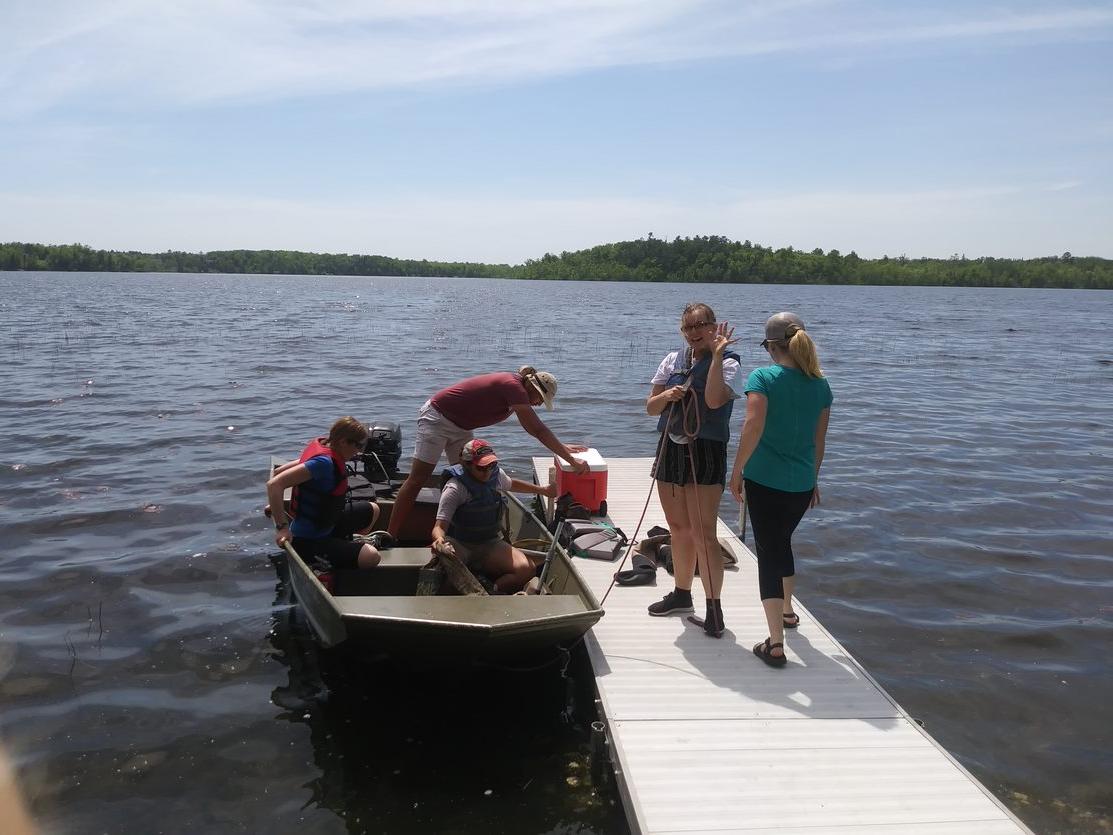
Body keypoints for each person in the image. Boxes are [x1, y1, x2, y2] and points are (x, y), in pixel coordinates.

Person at [728, 312, 832, 667]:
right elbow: (820, 443)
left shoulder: (763, 378)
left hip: (764, 480)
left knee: (768, 555)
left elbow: (752, 426)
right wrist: (813, 480)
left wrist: (737, 470)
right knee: (782, 542)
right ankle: (788, 611)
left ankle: (775, 644)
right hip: (801, 484)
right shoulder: (821, 385)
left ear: (772, 347)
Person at [384, 366, 588, 545]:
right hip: (437, 418)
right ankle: (390, 535)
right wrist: (571, 461)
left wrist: (561, 446)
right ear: (532, 386)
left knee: (473, 479)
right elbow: (537, 430)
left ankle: (464, 535)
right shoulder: (513, 387)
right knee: (418, 479)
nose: (538, 404)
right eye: (540, 400)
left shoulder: (519, 388)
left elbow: (538, 429)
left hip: (461, 427)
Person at [645, 303, 741, 636]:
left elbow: (714, 401)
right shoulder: (672, 360)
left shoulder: (728, 363)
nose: (694, 332)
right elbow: (650, 407)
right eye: (688, 327)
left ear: (714, 327)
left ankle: (714, 611)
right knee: (677, 527)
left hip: (705, 449)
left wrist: (715, 357)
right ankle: (682, 594)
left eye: (701, 325)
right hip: (671, 445)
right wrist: (669, 395)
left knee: (704, 533)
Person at [432, 439, 557, 593]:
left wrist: (542, 490)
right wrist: (439, 541)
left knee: (526, 569)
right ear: (467, 465)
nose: (488, 472)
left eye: (491, 466)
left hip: (489, 543)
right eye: (481, 468)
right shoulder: (455, 488)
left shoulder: (496, 476)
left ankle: (491, 589)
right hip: (460, 544)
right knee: (447, 578)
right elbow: (439, 527)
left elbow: (512, 484)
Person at [266, 416, 382, 572]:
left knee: (373, 509)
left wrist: (274, 505)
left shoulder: (326, 448)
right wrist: (282, 526)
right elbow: (274, 484)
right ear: (343, 442)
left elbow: (279, 471)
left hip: (326, 523)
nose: (359, 452)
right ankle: (327, 564)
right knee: (372, 556)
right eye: (358, 446)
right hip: (307, 539)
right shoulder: (324, 464)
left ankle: (343, 549)